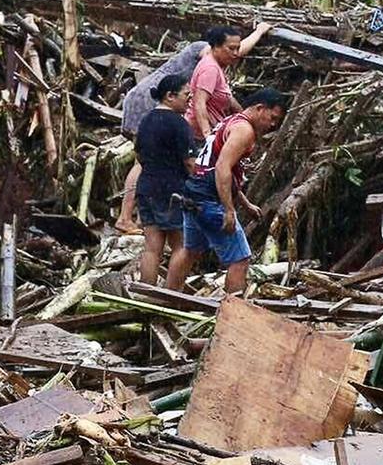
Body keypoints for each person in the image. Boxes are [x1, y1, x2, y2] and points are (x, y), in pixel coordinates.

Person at [170, 88, 288, 296]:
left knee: (191, 251)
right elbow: (222, 168)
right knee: (240, 259)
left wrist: (245, 203)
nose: (272, 125)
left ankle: (166, 298)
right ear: (260, 108)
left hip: (192, 193)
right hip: (208, 199)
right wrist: (228, 209)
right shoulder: (244, 130)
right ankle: (233, 310)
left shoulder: (231, 121)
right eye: (272, 118)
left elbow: (224, 170)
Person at [112, 38, 208, 232]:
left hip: (146, 97)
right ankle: (125, 217)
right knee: (141, 163)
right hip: (146, 101)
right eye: (231, 47)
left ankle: (141, 218)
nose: (235, 52)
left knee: (146, 162)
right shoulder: (202, 48)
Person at [133, 74, 195, 285]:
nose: (190, 99)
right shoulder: (179, 124)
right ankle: (171, 295)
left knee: (152, 248)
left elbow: (139, 156)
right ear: (170, 96)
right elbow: (190, 162)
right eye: (187, 95)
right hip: (173, 191)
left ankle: (144, 295)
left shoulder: (146, 120)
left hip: (146, 186)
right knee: (182, 245)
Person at [187, 23, 273, 140]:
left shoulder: (218, 66)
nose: (236, 53)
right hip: (198, 136)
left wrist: (244, 116)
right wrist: (208, 135)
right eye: (231, 49)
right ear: (216, 47)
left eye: (237, 48)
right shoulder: (210, 68)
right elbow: (199, 102)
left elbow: (228, 97)